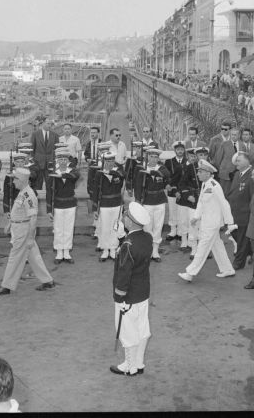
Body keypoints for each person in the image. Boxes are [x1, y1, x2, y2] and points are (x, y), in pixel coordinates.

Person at [0, 168, 55, 296]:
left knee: (14, 258)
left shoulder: (29, 195)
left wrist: (30, 238)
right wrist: (10, 223)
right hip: (20, 228)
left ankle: (6, 286)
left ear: (22, 180)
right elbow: (19, 211)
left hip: (23, 231)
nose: (12, 181)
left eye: (15, 179)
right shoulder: (22, 192)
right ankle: (48, 281)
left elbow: (33, 218)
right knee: (34, 256)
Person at [177, 159, 236, 283]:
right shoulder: (205, 184)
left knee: (202, 248)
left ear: (208, 173)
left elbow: (224, 204)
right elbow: (201, 203)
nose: (197, 174)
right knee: (217, 246)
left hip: (212, 224)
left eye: (200, 172)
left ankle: (190, 273)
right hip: (207, 222)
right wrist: (196, 217)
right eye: (198, 172)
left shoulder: (215, 185)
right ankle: (227, 269)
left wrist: (230, 223)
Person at [111, 202, 152, 376]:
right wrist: (122, 238)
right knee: (142, 328)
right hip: (143, 291)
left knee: (127, 331)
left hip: (128, 294)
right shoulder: (147, 238)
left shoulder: (128, 245)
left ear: (130, 221)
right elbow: (135, 254)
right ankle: (139, 363)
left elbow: (124, 273)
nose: (123, 218)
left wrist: (119, 298)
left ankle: (129, 366)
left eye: (125, 216)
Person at [133, 148, 170, 262]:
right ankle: (148, 250)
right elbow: (138, 185)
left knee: (158, 226)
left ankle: (155, 251)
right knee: (148, 226)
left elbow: (166, 175)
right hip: (147, 200)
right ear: (147, 157)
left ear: (158, 158)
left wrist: (151, 172)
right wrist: (138, 200)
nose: (153, 159)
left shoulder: (162, 168)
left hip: (159, 200)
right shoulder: (141, 168)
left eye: (155, 157)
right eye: (151, 156)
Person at [46, 149, 80, 263]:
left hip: (70, 204)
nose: (63, 162)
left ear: (68, 160)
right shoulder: (52, 174)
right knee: (58, 228)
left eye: (65, 159)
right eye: (60, 159)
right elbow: (49, 193)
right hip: (58, 205)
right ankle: (59, 251)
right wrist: (49, 209)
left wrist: (60, 175)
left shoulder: (73, 171)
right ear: (57, 160)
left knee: (69, 228)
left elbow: (75, 176)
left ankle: (67, 251)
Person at [92, 153, 124, 261]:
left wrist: (109, 172)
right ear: (104, 161)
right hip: (104, 204)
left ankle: (113, 249)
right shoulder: (99, 174)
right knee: (105, 227)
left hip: (116, 204)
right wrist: (95, 208)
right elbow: (95, 192)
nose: (109, 163)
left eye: (111, 161)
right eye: (107, 161)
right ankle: (105, 250)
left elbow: (122, 175)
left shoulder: (118, 172)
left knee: (115, 227)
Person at [226, 152, 254, 270]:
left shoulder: (253, 175)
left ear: (247, 161)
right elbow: (233, 191)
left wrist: (251, 213)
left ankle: (239, 262)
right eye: (235, 161)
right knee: (237, 235)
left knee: (242, 239)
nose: (235, 163)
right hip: (234, 211)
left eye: (238, 160)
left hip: (245, 213)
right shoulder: (238, 174)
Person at [175, 147, 200, 254]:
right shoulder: (181, 166)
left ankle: (192, 241)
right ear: (187, 156)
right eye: (191, 156)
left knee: (192, 220)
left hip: (193, 198)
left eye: (195, 156)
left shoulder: (198, 167)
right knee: (183, 220)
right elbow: (177, 181)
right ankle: (184, 241)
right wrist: (176, 191)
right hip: (182, 196)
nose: (193, 158)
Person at [164, 141, 188, 241]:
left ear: (184, 150)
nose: (180, 151)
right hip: (173, 190)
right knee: (173, 210)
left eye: (182, 149)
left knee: (182, 211)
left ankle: (181, 231)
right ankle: (173, 230)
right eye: (178, 149)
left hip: (183, 190)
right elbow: (166, 175)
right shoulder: (169, 162)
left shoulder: (187, 161)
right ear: (175, 150)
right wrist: (168, 184)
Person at [30, 119, 59, 190]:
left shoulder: (55, 135)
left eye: (50, 124)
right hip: (38, 164)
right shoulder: (35, 134)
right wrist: (34, 161)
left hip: (50, 164)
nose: (49, 125)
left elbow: (57, 149)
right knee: (37, 185)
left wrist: (54, 160)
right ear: (43, 123)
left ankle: (48, 200)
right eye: (47, 123)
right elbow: (32, 148)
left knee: (49, 185)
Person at [213, 128, 238, 196]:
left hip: (237, 174)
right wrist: (221, 169)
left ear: (239, 135)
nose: (234, 136)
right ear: (230, 135)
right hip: (225, 174)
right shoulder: (224, 144)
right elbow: (218, 159)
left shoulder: (242, 145)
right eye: (232, 134)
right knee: (224, 194)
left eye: (235, 135)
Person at [83, 126, 102, 197]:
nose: (92, 134)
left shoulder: (102, 142)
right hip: (91, 165)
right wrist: (87, 159)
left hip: (99, 165)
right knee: (90, 181)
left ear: (98, 133)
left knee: (98, 181)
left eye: (94, 132)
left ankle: (98, 196)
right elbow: (85, 154)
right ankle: (91, 195)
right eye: (91, 132)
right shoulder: (89, 143)